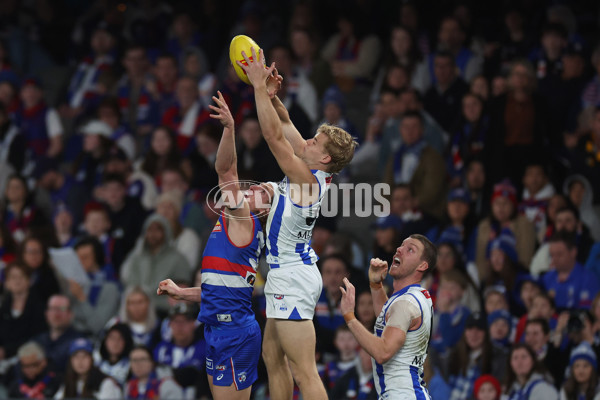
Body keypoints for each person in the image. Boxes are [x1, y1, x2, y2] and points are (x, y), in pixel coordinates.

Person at [238, 46, 357, 400]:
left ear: (324, 157)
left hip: (293, 274)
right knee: (273, 360)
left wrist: (258, 86)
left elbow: (274, 138)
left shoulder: (308, 179)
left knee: (304, 371)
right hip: (284, 272)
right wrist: (274, 98)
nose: (307, 141)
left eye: (315, 141)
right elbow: (286, 125)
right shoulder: (313, 167)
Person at [157, 91, 268, 400]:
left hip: (234, 334)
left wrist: (230, 129)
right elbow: (217, 290)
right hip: (217, 330)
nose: (252, 189)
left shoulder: (244, 220)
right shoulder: (228, 223)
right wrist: (181, 293)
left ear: (263, 210)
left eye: (261, 192)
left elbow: (225, 172)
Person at [339, 234, 437, 399]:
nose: (399, 249)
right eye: (401, 246)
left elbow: (383, 352)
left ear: (422, 265)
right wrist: (376, 285)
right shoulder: (416, 296)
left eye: (410, 249)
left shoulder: (405, 303)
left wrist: (350, 316)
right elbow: (389, 321)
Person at [54, 338, 123, 400]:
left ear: (92, 359)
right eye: (76, 357)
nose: (80, 361)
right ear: (70, 360)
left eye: (84, 356)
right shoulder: (68, 382)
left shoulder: (105, 383)